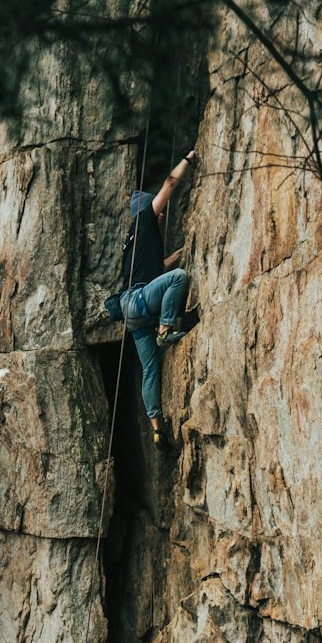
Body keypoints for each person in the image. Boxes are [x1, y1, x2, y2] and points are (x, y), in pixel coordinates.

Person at [120, 149, 197, 449]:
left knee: (150, 369)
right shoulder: (144, 220)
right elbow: (169, 185)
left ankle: (156, 428)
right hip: (140, 300)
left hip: (132, 311)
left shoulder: (132, 239)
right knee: (179, 279)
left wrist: (169, 260)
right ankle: (165, 329)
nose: (162, 216)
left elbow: (147, 269)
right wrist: (187, 160)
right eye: (157, 211)